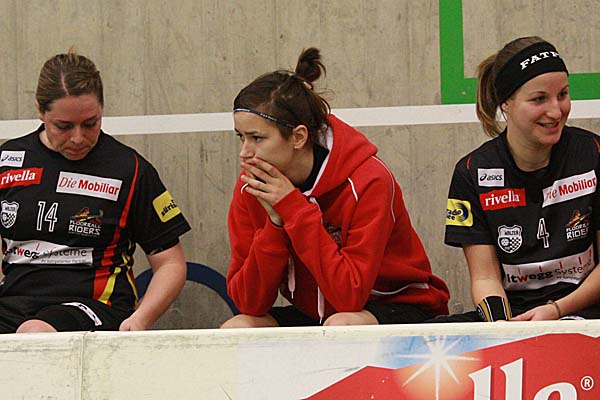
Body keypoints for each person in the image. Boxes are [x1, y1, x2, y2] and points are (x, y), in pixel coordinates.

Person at [221, 48, 449, 328]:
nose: (245, 152)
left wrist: (294, 210)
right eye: (241, 137)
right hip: (322, 314)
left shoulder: (369, 180)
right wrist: (275, 224)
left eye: (257, 138)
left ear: (298, 137)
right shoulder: (251, 187)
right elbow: (249, 303)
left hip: (398, 305)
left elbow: (349, 296)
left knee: (343, 326)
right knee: (239, 327)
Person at [0, 51, 191, 333]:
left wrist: (141, 319)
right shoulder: (8, 160)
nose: (78, 138)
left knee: (35, 333)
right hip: (15, 303)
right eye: (63, 127)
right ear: (40, 111)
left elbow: (170, 263)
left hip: (95, 305)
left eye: (90, 123)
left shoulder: (130, 169)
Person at [443, 36, 600, 322]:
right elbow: (485, 279)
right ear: (506, 103)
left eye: (563, 94)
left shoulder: (594, 153)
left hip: (585, 309)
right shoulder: (472, 172)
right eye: (539, 99)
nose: (556, 111)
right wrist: (504, 328)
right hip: (516, 315)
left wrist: (556, 311)